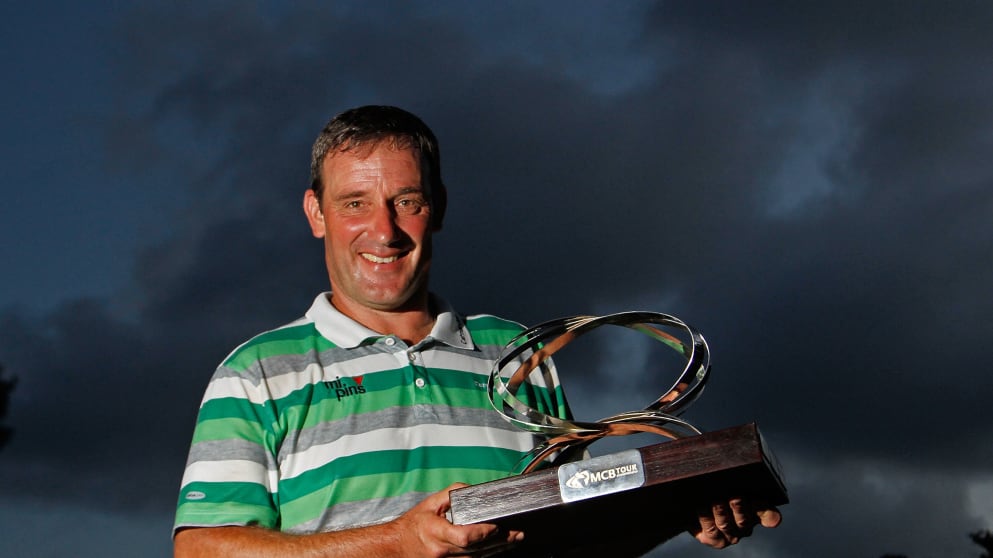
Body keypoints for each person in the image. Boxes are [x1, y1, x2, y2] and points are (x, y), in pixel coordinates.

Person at [173, 105, 781, 557]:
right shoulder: (256, 373)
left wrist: (677, 511)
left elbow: (569, 540)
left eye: (405, 201)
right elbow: (200, 552)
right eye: (354, 203)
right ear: (316, 213)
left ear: (437, 206)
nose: (383, 232)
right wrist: (400, 539)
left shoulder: (519, 355)